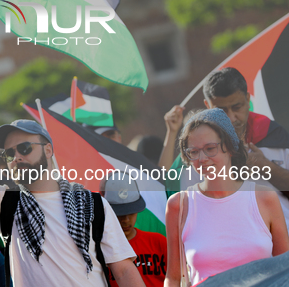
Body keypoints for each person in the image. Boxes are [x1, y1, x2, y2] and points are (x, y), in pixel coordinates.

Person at [0, 77, 143, 286]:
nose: (16, 156)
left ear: (48, 150)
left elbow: (123, 270)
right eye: (8, 154)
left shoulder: (94, 204)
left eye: (25, 148)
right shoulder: (4, 204)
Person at [164, 108, 289, 286]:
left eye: (210, 148)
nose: (202, 158)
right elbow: (173, 277)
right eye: (194, 152)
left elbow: (285, 269)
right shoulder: (179, 205)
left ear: (230, 147)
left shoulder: (264, 198)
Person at [161, 68, 289, 229]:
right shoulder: (195, 153)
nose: (230, 117)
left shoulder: (273, 135)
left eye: (237, 107)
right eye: (222, 110)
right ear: (208, 105)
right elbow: (183, 215)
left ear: (247, 98)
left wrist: (267, 168)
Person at [101, 173, 167, 287]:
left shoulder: (159, 242)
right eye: (120, 214)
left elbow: (178, 279)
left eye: (131, 212)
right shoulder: (100, 247)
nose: (126, 220)